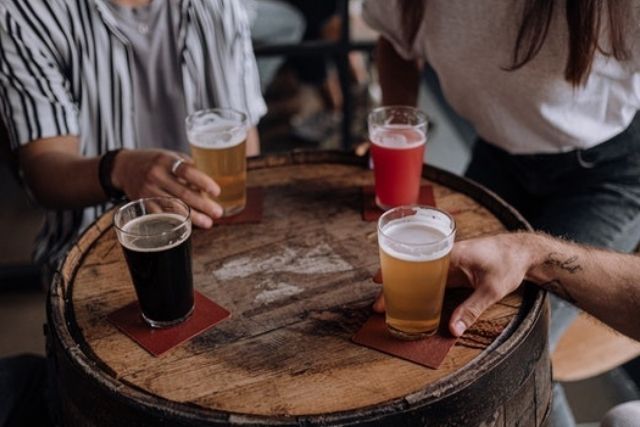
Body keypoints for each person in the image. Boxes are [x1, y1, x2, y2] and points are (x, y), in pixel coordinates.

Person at [362, 1, 640, 424]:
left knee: (512, 346)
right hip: (499, 153)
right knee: (430, 314)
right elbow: (398, 42)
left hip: (607, 173)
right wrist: (400, 139)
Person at [0, 0, 266, 280]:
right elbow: (43, 172)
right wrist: (121, 169)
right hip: (97, 252)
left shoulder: (220, 4)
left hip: (208, 227)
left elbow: (245, 142)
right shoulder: (26, 13)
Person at [374, 231, 640, 427]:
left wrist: (529, 253)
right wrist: (528, 252)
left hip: (606, 173)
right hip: (504, 161)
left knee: (528, 357)